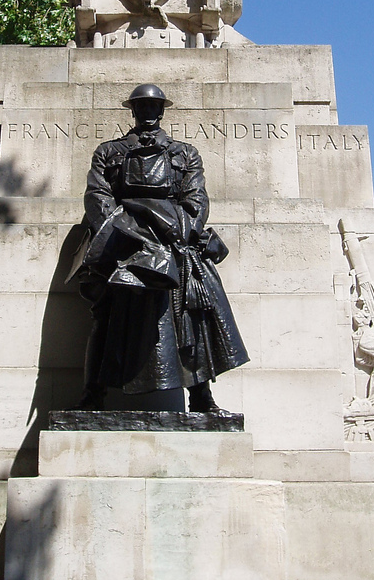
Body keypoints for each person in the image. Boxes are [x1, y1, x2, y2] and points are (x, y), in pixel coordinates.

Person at [74, 83, 248, 412]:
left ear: (162, 111)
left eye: (154, 107)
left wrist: (181, 230)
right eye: (142, 107)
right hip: (123, 241)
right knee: (106, 316)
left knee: (194, 312)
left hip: (174, 239)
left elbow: (196, 197)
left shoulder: (185, 153)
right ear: (133, 111)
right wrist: (126, 232)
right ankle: (93, 393)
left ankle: (201, 396)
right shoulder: (109, 151)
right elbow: (97, 198)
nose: (148, 113)